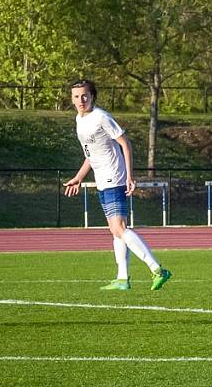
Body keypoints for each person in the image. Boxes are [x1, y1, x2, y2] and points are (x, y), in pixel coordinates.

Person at [63, 79, 172, 291]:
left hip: (115, 176)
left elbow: (125, 144)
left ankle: (157, 269)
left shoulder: (101, 117)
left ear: (93, 96)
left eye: (85, 95)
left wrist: (130, 176)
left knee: (118, 228)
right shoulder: (79, 119)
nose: (80, 100)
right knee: (115, 231)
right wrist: (79, 177)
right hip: (102, 179)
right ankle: (122, 278)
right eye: (76, 96)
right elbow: (91, 155)